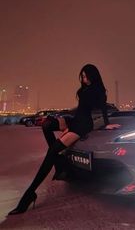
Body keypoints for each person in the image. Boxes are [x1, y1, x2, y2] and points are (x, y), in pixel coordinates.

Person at [8, 64, 120, 215]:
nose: (83, 79)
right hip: (74, 121)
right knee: (47, 125)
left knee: (52, 151)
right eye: (82, 76)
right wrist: (64, 119)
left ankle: (29, 195)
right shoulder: (84, 89)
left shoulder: (99, 90)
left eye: (86, 76)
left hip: (82, 126)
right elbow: (79, 108)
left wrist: (106, 125)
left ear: (93, 75)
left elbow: (103, 109)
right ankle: (59, 163)